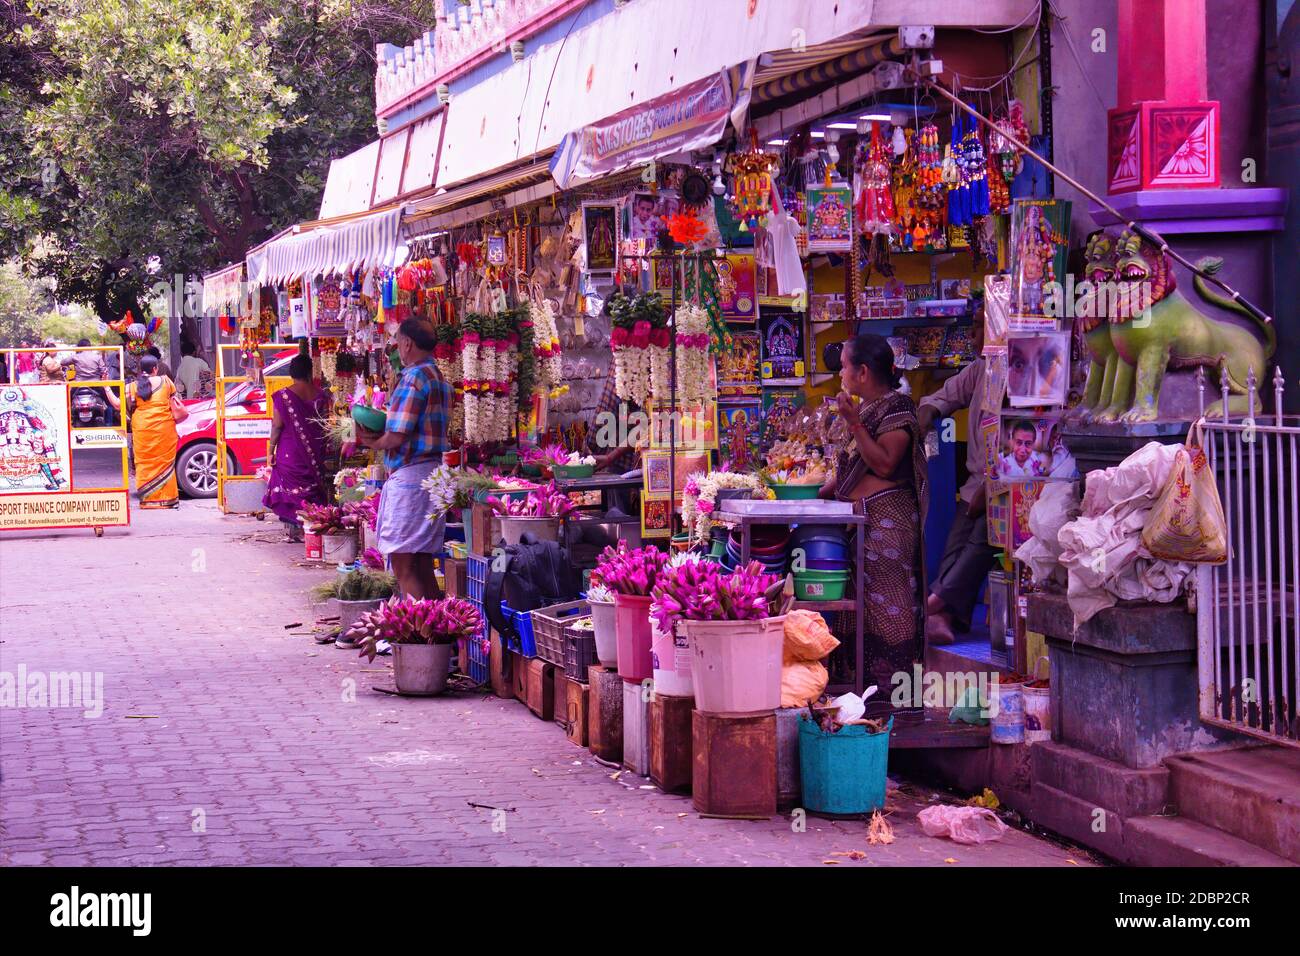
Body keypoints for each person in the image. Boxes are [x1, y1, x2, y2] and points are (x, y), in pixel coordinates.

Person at [819, 332, 928, 706]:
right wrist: (813, 495)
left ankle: (896, 700)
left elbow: (884, 461)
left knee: (889, 614)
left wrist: (853, 423)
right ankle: (861, 697)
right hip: (862, 528)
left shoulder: (898, 410)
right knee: (861, 613)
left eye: (845, 367)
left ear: (863, 372)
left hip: (888, 529)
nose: (840, 375)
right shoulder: (869, 408)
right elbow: (851, 468)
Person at [357, 319, 451, 599]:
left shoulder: (414, 377)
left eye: (398, 342)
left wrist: (370, 442)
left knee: (403, 565)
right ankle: (438, 634)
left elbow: (397, 435)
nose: (398, 347)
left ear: (408, 343)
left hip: (412, 479)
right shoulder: (438, 376)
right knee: (421, 563)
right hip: (432, 475)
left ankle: (418, 635)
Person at [917, 313, 997, 644]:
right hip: (975, 483)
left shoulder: (1016, 371)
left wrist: (993, 487)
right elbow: (943, 397)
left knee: (982, 539)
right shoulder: (980, 370)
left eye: (984, 328)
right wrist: (926, 417)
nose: (977, 337)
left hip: (1004, 485)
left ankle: (935, 604)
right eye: (976, 329)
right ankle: (944, 615)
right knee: (956, 543)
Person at [263, 354, 332, 541]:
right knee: (312, 487)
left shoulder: (283, 395)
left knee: (291, 488)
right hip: (315, 449)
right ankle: (312, 525)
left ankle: (297, 528)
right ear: (310, 371)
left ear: (291, 373)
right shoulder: (321, 395)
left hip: (290, 451)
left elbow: (277, 426)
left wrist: (270, 451)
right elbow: (325, 424)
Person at [125, 354, 180, 508]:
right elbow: (175, 401)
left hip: (142, 429)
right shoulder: (167, 382)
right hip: (164, 429)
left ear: (140, 369)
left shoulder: (132, 386)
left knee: (144, 463)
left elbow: (120, 406)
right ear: (155, 369)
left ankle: (148, 500)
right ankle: (168, 500)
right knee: (165, 464)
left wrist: (107, 388)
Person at [63, 338, 122, 418]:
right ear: (89, 346)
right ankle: (109, 423)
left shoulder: (76, 357)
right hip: (96, 386)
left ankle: (67, 421)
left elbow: (62, 362)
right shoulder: (97, 357)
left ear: (79, 347)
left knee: (66, 403)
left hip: (78, 386)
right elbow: (104, 371)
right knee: (109, 403)